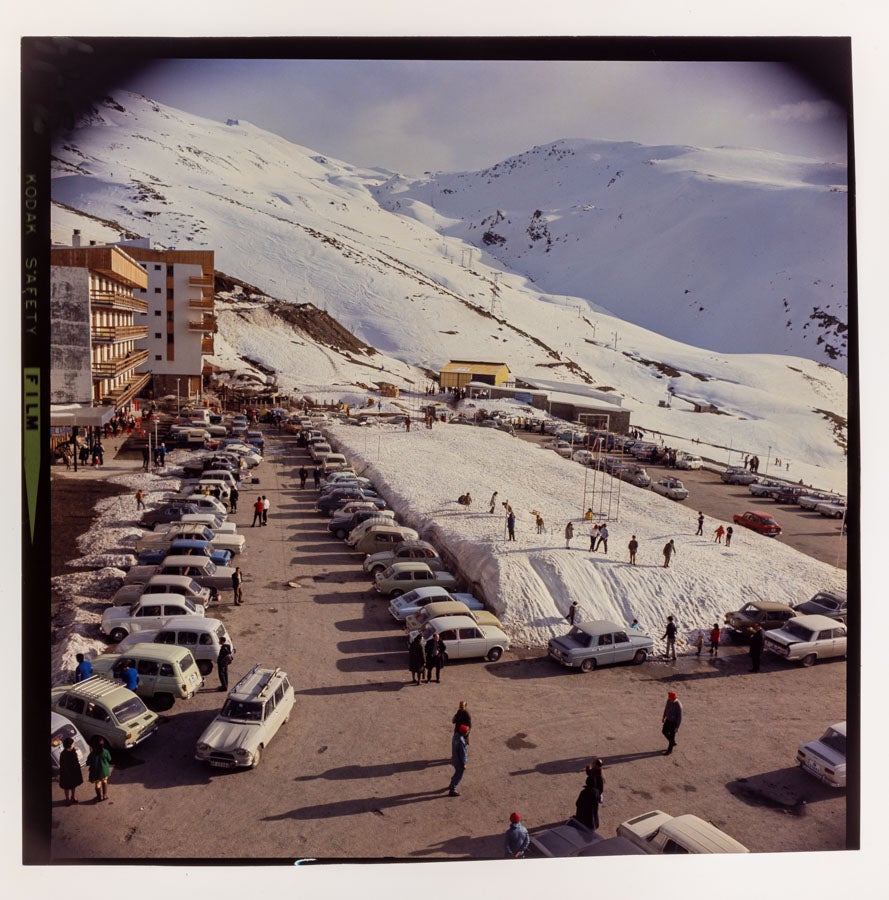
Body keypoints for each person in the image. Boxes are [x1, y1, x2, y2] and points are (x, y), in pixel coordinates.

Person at [575, 760, 604, 829]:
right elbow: (589, 774)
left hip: (593, 796)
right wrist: (587, 769)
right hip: (595, 795)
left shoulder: (599, 776)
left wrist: (596, 794)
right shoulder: (595, 770)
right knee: (593, 814)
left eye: (594, 763)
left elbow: (578, 803)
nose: (592, 764)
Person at [58, 736, 84, 805]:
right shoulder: (63, 754)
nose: (74, 744)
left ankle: (73, 796)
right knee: (66, 787)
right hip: (66, 774)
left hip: (74, 772)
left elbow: (76, 760)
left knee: (73, 785)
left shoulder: (73, 750)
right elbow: (63, 765)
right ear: (69, 745)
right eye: (73, 743)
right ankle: (67, 799)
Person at [86, 737, 112, 802]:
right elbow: (109, 759)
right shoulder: (105, 752)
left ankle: (99, 797)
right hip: (104, 771)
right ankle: (105, 795)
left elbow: (88, 763)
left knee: (98, 784)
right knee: (105, 781)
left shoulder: (92, 754)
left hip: (96, 773)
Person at [448, 724, 469, 796]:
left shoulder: (456, 736)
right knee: (458, 775)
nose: (467, 732)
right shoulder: (461, 741)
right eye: (466, 731)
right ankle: (452, 789)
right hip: (459, 762)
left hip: (455, 759)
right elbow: (462, 754)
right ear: (463, 732)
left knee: (456, 773)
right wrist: (464, 763)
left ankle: (451, 784)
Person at [662, 690, 683, 755]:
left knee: (672, 736)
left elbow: (680, 717)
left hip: (674, 723)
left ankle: (669, 750)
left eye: (670, 698)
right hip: (668, 720)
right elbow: (666, 708)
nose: (669, 699)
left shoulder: (678, 705)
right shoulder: (668, 701)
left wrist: (677, 727)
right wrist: (663, 716)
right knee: (664, 731)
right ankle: (672, 742)